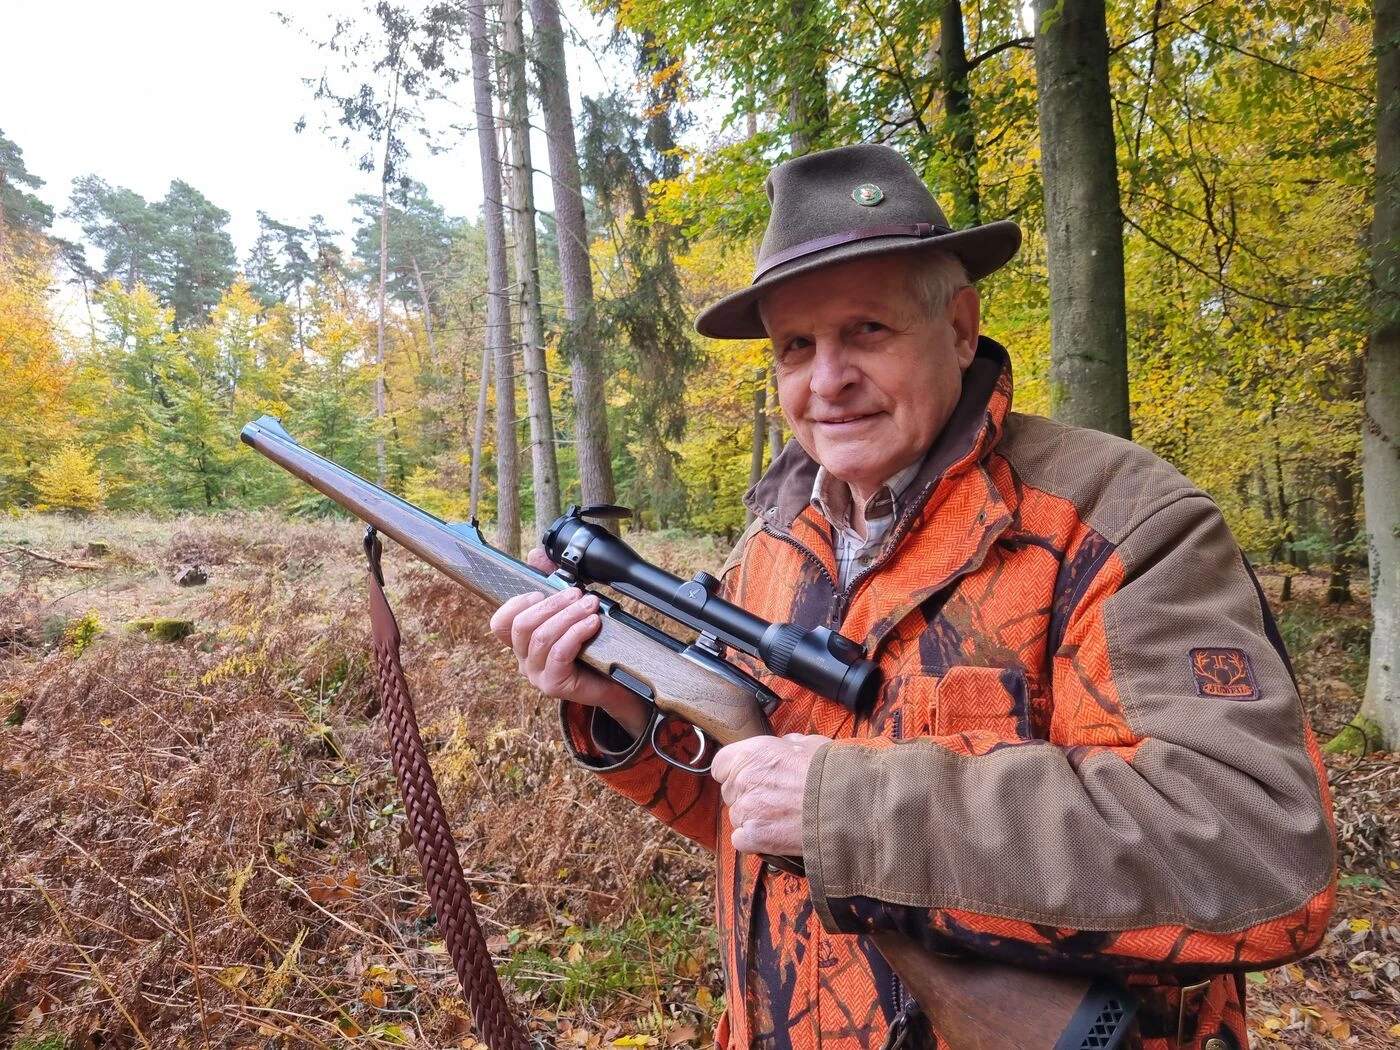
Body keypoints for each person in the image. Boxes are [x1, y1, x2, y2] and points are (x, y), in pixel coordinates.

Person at [489, 144, 1335, 1050]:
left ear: (962, 327)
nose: (827, 380)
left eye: (867, 331)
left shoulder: (1118, 525)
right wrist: (623, 706)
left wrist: (849, 806)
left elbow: (1257, 854)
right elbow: (757, 824)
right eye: (796, 347)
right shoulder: (770, 545)